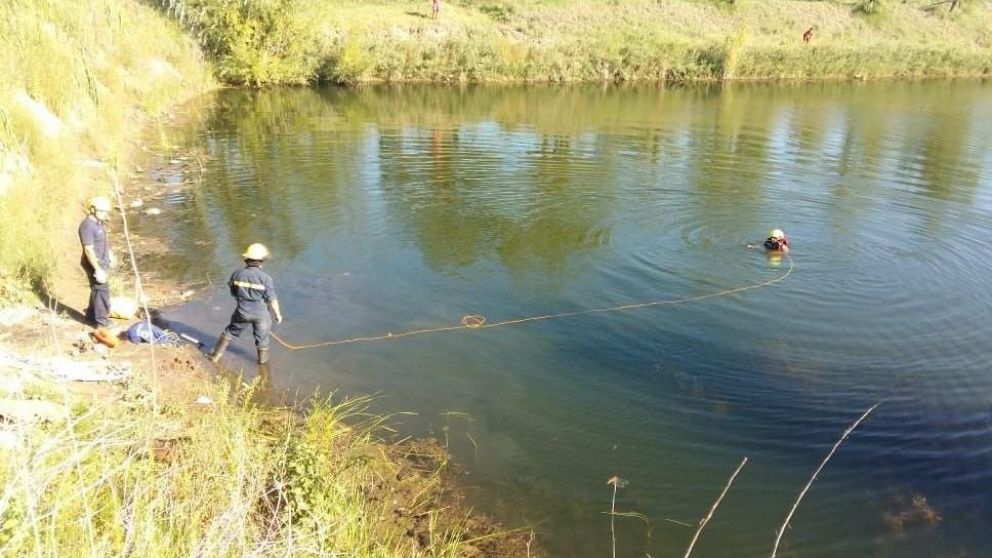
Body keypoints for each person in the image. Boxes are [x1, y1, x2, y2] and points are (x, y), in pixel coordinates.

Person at [210, 243, 283, 365]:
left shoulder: (237, 274)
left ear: (246, 260)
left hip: (242, 311)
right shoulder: (266, 278)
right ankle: (263, 366)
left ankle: (215, 356)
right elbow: (272, 299)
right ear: (261, 261)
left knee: (230, 332)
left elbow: (233, 291)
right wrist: (278, 314)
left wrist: (241, 298)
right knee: (262, 340)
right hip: (261, 314)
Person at [78, 196, 115, 328]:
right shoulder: (87, 226)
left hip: (102, 261)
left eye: (106, 212)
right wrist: (98, 269)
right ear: (93, 209)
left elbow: (101, 241)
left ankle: (90, 315)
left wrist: (109, 254)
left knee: (96, 290)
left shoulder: (98, 222)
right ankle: (102, 322)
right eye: (102, 211)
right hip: (94, 264)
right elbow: (88, 250)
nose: (105, 214)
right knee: (102, 291)